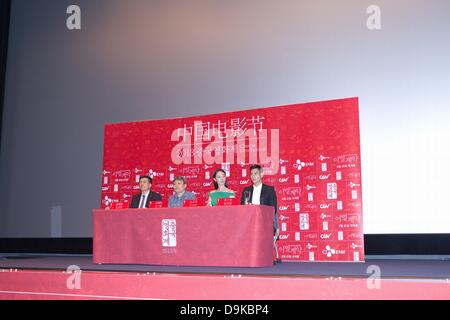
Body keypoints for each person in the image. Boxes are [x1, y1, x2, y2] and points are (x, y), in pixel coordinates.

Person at [240, 164, 280, 263]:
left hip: (264, 220)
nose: (253, 176)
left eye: (256, 173)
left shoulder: (269, 190)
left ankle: (267, 255)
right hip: (249, 221)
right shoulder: (246, 190)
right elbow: (242, 207)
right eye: (251, 174)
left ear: (261, 174)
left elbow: (273, 208)